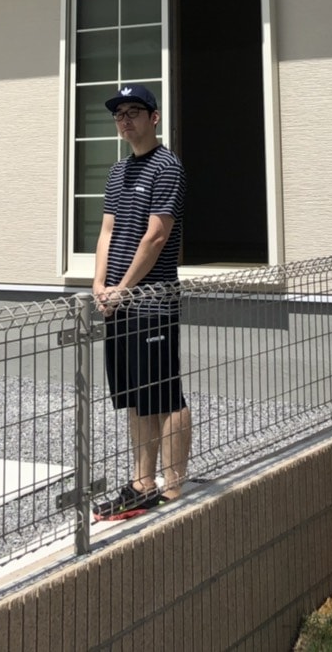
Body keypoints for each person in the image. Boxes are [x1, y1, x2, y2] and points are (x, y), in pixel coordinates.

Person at [92, 83, 191, 520]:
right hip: (119, 303)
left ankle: (174, 488)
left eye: (134, 111)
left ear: (154, 118)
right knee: (135, 396)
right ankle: (141, 484)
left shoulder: (167, 167)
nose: (125, 120)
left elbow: (156, 236)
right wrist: (100, 284)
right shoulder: (118, 172)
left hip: (152, 302)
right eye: (119, 114)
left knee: (166, 395)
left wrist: (123, 288)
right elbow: (108, 231)